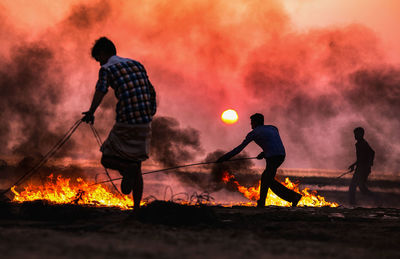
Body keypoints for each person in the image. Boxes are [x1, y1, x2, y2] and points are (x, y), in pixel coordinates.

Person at [82, 37, 156, 211]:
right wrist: (150, 113)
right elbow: (151, 90)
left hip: (126, 121)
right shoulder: (137, 64)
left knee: (107, 158)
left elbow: (101, 90)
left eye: (98, 59)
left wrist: (91, 112)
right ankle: (136, 210)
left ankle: (127, 168)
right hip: (145, 122)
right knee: (137, 165)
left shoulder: (107, 69)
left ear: (103, 53)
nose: (99, 64)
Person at [217, 113, 302, 207]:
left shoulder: (253, 133)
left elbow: (239, 149)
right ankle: (264, 202)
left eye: (252, 122)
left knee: (267, 179)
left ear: (256, 122)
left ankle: (293, 197)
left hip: (272, 157)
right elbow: (272, 142)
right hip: (281, 155)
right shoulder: (273, 128)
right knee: (267, 179)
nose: (251, 125)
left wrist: (223, 158)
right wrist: (264, 153)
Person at [348, 127, 375, 206]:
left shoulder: (362, 144)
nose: (355, 136)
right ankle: (376, 199)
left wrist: (369, 164)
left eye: (356, 134)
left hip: (362, 169)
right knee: (361, 188)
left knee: (354, 186)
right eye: (354, 134)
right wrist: (354, 165)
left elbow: (371, 153)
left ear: (361, 134)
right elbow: (362, 158)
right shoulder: (360, 143)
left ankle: (352, 204)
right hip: (361, 168)